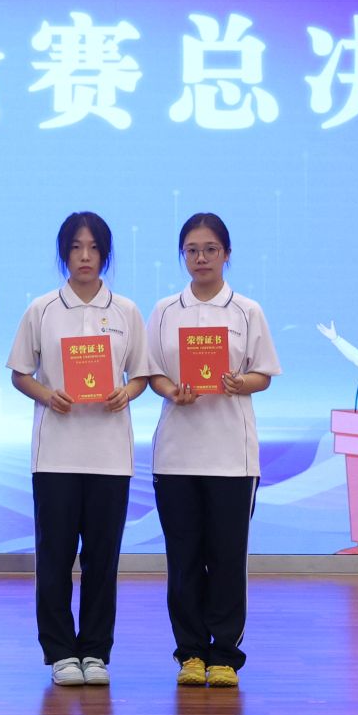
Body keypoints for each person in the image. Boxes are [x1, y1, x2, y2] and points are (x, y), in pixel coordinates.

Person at [6, 212, 154, 688]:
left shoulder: (126, 310)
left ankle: (95, 650)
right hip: (56, 456)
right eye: (75, 247)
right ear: (64, 253)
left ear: (105, 254)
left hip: (110, 456)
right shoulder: (43, 309)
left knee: (102, 561)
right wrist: (48, 395)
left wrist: (125, 393)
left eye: (93, 248)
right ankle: (59, 652)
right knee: (54, 558)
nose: (85, 256)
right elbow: (20, 373)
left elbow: (141, 375)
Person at [146, 212, 282, 690]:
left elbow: (264, 374)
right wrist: (171, 390)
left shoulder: (246, 310)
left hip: (232, 456)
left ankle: (224, 653)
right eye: (191, 250)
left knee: (226, 558)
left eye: (210, 249)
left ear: (226, 253)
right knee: (183, 558)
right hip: (176, 455)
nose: (200, 258)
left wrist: (240, 382)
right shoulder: (165, 310)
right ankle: (190, 653)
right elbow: (152, 372)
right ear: (181, 255)